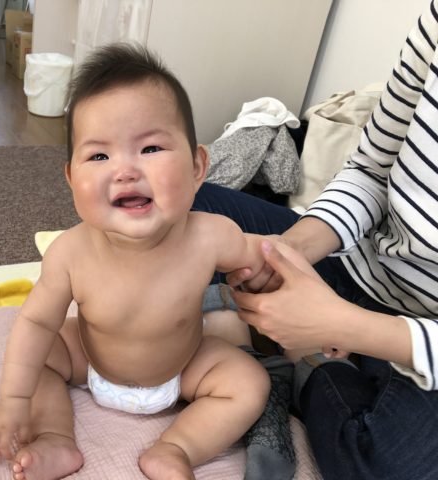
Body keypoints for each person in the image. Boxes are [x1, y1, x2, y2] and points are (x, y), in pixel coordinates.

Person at [0, 43, 273, 480]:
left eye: (150, 148)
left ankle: (176, 448)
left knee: (250, 382)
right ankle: (55, 438)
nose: (125, 171)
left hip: (182, 370)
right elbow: (37, 323)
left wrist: (265, 284)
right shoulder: (70, 253)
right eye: (99, 156)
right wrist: (14, 400)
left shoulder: (212, 236)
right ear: (71, 178)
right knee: (37, 352)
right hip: (90, 363)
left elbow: (262, 263)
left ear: (197, 166)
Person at [192, 2, 438, 479]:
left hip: (417, 337)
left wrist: (346, 326)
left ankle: (302, 365)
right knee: (171, 205)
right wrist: (288, 252)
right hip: (356, 266)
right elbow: (370, 171)